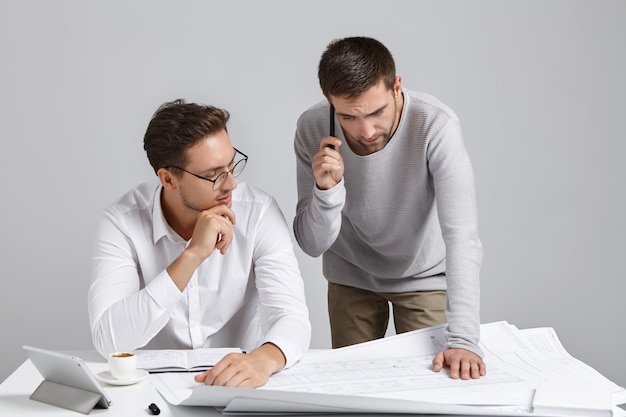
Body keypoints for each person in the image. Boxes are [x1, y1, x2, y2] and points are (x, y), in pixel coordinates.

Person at [293, 37, 486, 380]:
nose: (365, 131)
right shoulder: (312, 127)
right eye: (348, 116)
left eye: (376, 112)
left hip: (423, 276)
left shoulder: (434, 124)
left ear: (397, 87)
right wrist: (327, 190)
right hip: (350, 276)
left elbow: (462, 237)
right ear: (329, 101)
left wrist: (465, 340)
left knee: (433, 389)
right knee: (352, 390)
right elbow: (311, 244)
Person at [89, 99, 311, 388]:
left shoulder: (258, 212)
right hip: (149, 389)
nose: (230, 184)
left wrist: (263, 360)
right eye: (213, 175)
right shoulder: (122, 222)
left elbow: (292, 317)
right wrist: (192, 255)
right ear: (168, 179)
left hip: (237, 384)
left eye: (232, 166)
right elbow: (110, 341)